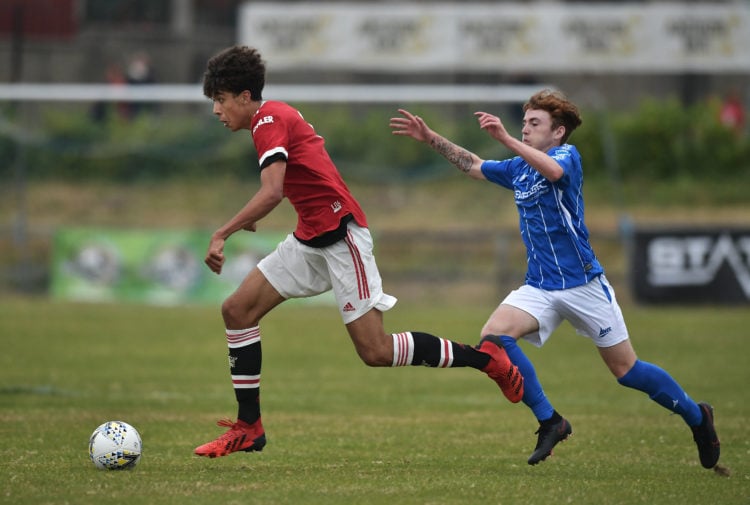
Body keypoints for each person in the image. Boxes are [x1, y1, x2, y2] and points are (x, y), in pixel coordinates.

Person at [193, 45, 524, 458]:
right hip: (309, 238)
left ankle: (485, 359)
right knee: (236, 310)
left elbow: (273, 191)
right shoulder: (268, 120)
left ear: (245, 97)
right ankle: (249, 427)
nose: (216, 111)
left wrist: (224, 231)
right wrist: (250, 216)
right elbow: (288, 182)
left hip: (341, 235)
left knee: (376, 352)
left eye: (220, 100)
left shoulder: (269, 118)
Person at [389, 89, 720, 469]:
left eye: (534, 124)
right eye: (524, 123)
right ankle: (551, 420)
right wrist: (430, 137)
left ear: (558, 132)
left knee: (626, 371)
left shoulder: (567, 157)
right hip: (540, 286)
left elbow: (554, 172)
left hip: (583, 285)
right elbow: (474, 165)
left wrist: (506, 139)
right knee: (495, 337)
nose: (525, 129)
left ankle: (698, 418)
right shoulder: (518, 168)